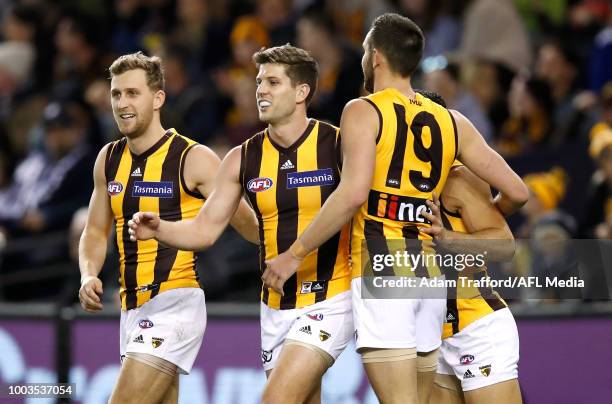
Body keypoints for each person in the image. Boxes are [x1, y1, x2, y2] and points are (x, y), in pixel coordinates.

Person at [263, 13, 529, 404]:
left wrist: (295, 253)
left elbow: (352, 194)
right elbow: (518, 193)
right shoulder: (451, 120)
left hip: (382, 271)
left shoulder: (363, 110)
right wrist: (479, 220)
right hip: (429, 279)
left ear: (375, 58)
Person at [128, 45, 354, 404]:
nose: (260, 90)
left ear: (302, 92)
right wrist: (161, 229)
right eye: (259, 81)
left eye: (273, 82)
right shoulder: (240, 157)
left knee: (275, 399)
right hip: (275, 304)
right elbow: (205, 231)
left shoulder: (338, 144)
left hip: (332, 295)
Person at [77, 52, 258, 404]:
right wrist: (88, 274)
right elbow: (96, 231)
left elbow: (250, 225)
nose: (122, 103)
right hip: (132, 309)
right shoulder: (108, 159)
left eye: (132, 93)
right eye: (116, 94)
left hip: (175, 303)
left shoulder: (194, 158)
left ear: (158, 98)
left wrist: (290, 251)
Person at [422, 163, 522, 404]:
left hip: (476, 325)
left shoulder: (456, 178)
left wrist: (447, 237)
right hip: (426, 331)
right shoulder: (380, 181)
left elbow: (505, 245)